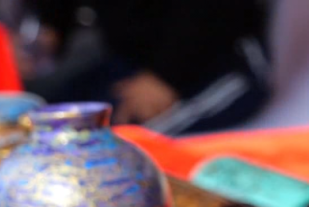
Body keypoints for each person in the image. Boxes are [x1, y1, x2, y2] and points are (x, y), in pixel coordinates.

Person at [23, 0, 270, 136]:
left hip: (215, 62)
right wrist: (50, 29)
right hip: (130, 60)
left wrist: (165, 78)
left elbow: (218, 10)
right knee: (34, 123)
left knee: (106, 150)